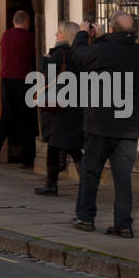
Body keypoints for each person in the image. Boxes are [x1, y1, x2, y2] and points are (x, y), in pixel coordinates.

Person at [69, 10, 139, 238]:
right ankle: (123, 224)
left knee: (91, 172)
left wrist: (83, 33)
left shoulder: (103, 49)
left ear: (112, 29)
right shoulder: (138, 52)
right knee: (123, 179)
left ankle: (85, 217)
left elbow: (79, 56)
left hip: (100, 123)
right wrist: (103, 37)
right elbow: (115, 51)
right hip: (128, 125)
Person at [34, 20, 85, 196]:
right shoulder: (80, 54)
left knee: (58, 147)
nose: (56, 34)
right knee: (71, 147)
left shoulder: (59, 54)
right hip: (75, 106)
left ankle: (52, 184)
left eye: (59, 32)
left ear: (67, 35)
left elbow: (46, 78)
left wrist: (43, 61)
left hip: (58, 108)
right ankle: (58, 183)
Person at [0, 10, 37, 168]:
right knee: (27, 119)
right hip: (24, 80)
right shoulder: (30, 37)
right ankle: (25, 159)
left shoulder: (5, 35)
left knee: (7, 115)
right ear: (27, 21)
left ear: (14, 21)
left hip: (6, 81)